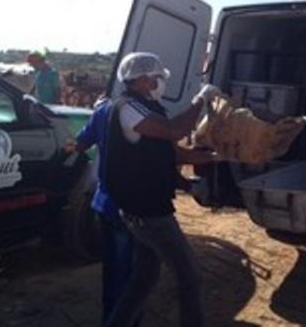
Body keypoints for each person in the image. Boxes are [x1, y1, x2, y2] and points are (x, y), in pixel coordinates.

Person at [104, 52, 221, 327]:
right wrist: (200, 99)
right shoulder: (129, 107)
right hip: (147, 211)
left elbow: (175, 153)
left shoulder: (147, 108)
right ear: (144, 79)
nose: (161, 83)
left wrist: (217, 156)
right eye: (158, 78)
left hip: (145, 208)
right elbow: (173, 131)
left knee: (145, 277)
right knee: (189, 276)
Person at [75, 95, 139, 326]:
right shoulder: (140, 113)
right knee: (131, 272)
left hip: (104, 202)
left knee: (112, 269)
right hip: (129, 206)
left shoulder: (102, 112)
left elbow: (79, 143)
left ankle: (110, 318)